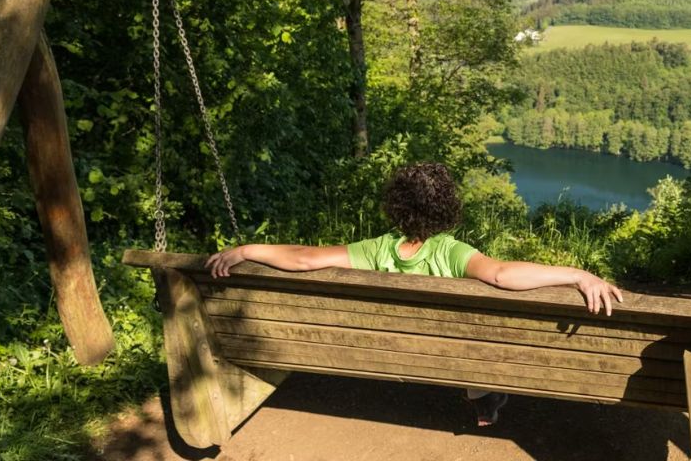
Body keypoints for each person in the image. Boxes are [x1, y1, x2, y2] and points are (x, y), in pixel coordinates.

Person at [205, 161, 624, 427]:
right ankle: (481, 394)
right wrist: (577, 275)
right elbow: (501, 275)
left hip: (388, 352)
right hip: (452, 357)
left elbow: (305, 259)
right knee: (476, 341)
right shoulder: (450, 252)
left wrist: (247, 250)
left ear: (396, 207)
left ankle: (480, 392)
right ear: (446, 208)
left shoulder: (376, 249)